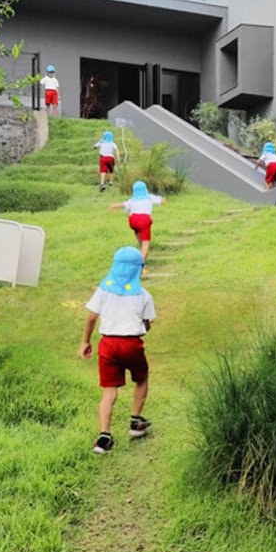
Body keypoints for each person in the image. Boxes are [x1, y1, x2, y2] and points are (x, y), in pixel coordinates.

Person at [78, 245, 155, 453]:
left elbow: (92, 317)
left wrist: (85, 341)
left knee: (109, 391)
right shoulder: (143, 295)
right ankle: (136, 422)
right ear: (139, 269)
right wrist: (142, 326)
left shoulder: (103, 290)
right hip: (131, 343)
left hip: (108, 345)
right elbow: (147, 324)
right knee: (141, 378)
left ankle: (104, 437)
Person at [114, 178, 164, 261]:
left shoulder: (132, 200)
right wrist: (164, 200)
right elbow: (161, 200)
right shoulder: (149, 197)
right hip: (144, 220)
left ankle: (140, 252)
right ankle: (141, 265)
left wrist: (113, 206)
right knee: (145, 244)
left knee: (141, 241)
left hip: (133, 220)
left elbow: (123, 205)